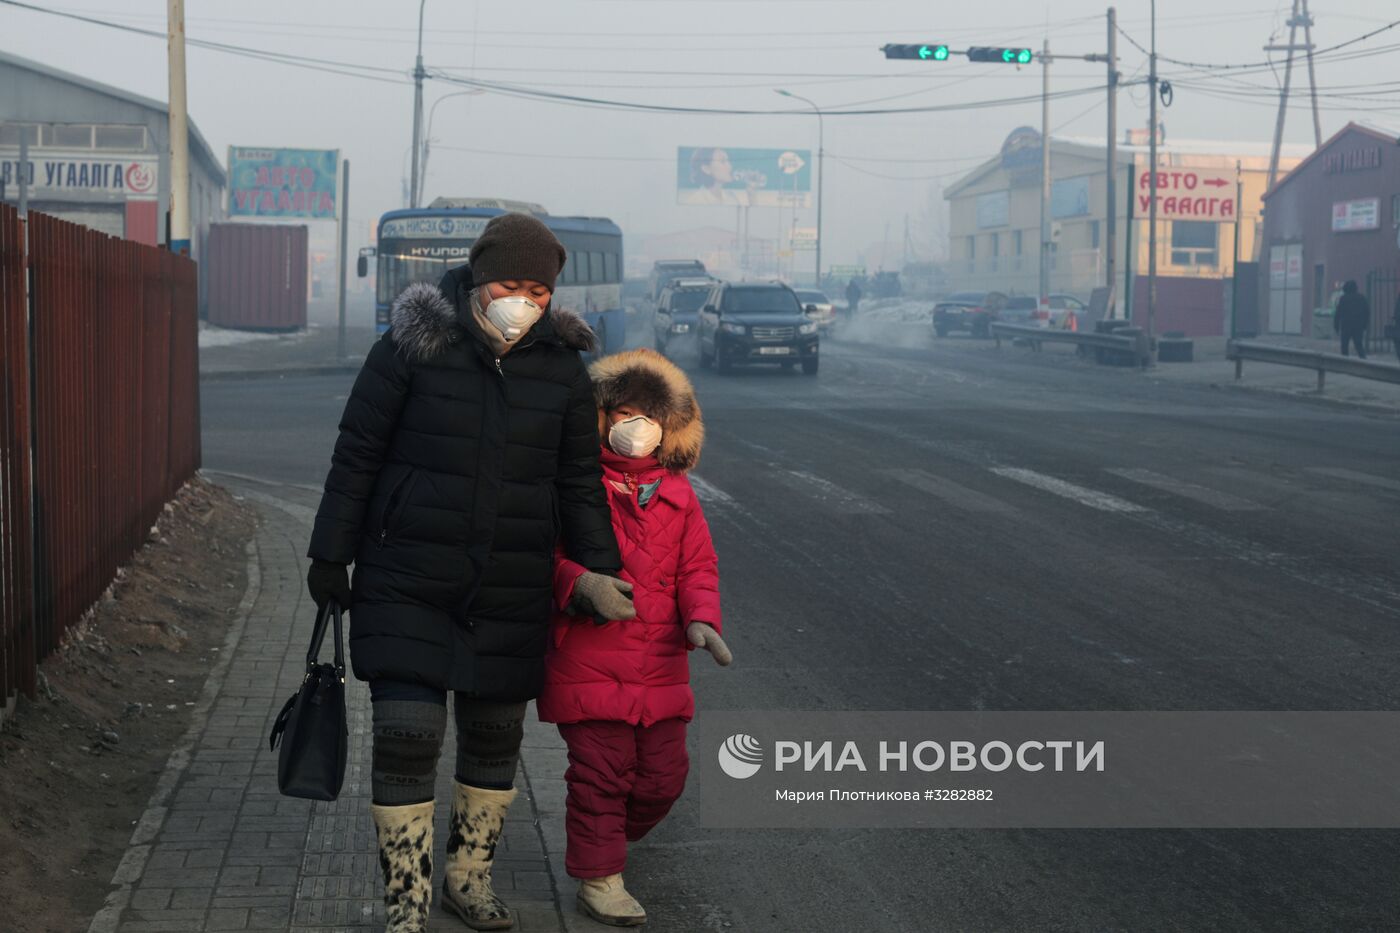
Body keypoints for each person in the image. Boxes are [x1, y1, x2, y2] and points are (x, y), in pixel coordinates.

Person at [305, 213, 634, 933]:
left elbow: (578, 484)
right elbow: (357, 452)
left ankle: (468, 877)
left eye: (539, 290)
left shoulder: (562, 373)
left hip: (511, 582)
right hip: (405, 572)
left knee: (493, 739)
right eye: (512, 285)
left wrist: (601, 574)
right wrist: (331, 553)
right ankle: (406, 896)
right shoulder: (412, 347)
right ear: (479, 281)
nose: (525, 301)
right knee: (407, 734)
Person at [537, 348, 731, 927]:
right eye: (622, 412)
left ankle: (605, 843)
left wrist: (702, 619)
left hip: (662, 666)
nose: (636, 427)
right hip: (589, 664)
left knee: (663, 780)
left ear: (670, 429)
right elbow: (540, 558)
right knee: (601, 776)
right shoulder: (573, 487)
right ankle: (600, 879)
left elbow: (699, 567)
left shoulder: (677, 494)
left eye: (649, 417)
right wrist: (579, 584)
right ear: (600, 418)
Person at [1334, 279, 1369, 359]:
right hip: (1358, 326)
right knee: (1359, 345)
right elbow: (1367, 312)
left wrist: (1336, 326)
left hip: (1346, 326)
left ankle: (1345, 362)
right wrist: (1364, 325)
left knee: (1344, 346)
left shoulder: (1343, 299)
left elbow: (1338, 313)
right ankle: (1364, 361)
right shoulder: (1362, 298)